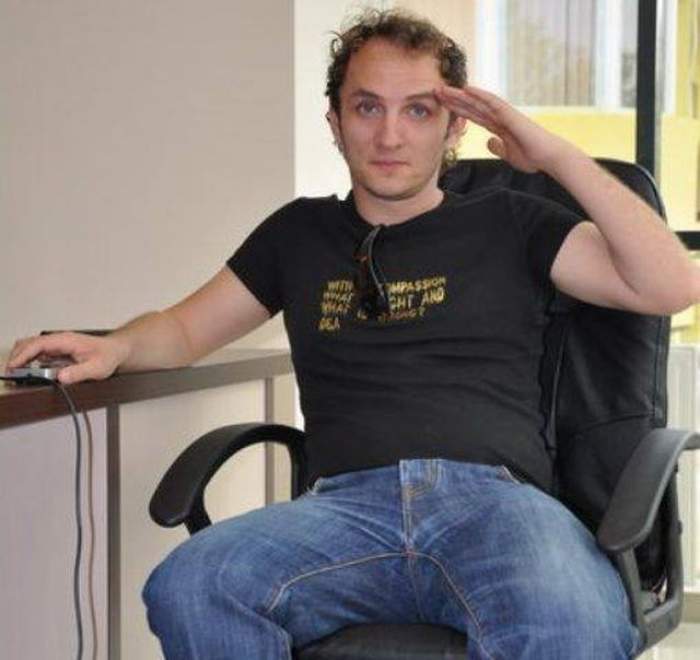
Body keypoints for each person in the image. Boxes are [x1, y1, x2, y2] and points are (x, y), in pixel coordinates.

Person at [5, 9, 698, 659]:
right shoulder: (298, 234)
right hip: (342, 516)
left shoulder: (514, 222)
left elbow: (671, 286)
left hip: (497, 508)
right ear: (335, 122)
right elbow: (185, 329)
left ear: (453, 127)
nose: (390, 137)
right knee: (192, 584)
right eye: (367, 107)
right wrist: (116, 347)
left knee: (568, 616)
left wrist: (551, 157)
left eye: (418, 110)